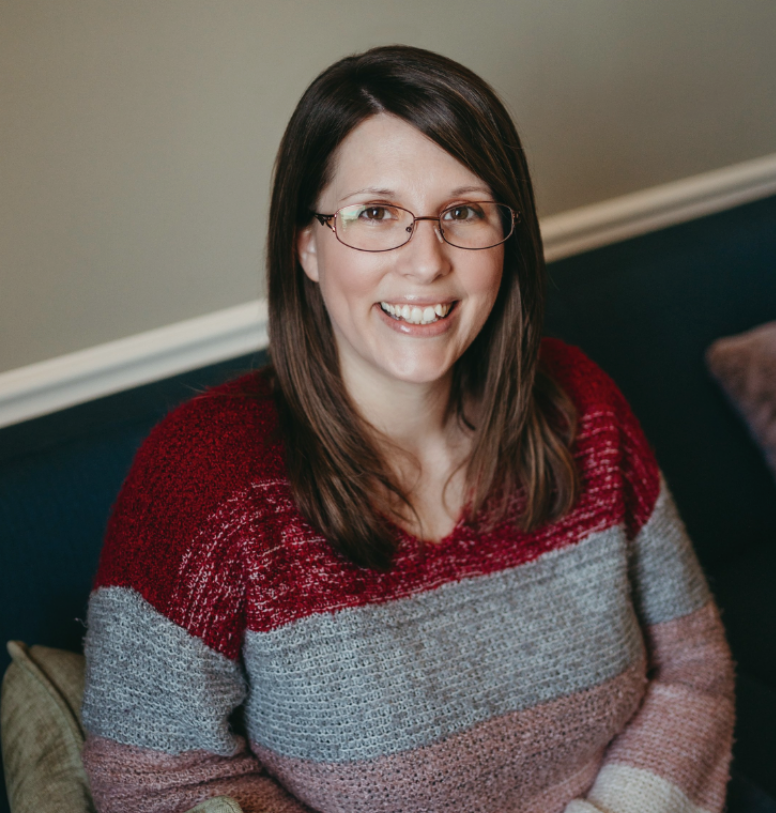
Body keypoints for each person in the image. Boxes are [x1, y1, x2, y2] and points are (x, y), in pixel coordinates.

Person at [80, 45, 735, 813]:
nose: (425, 263)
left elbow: (691, 668)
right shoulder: (205, 474)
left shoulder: (579, 405)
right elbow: (157, 779)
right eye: (375, 213)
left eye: (462, 212)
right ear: (307, 245)